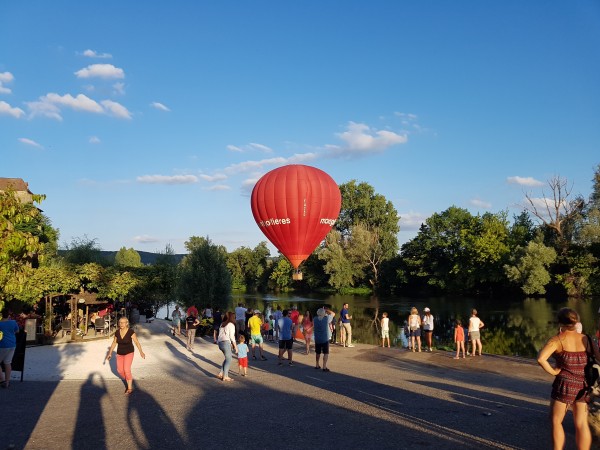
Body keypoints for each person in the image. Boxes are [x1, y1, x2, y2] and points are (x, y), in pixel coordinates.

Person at [538, 308, 600, 450]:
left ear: (560, 322)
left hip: (564, 385)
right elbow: (598, 357)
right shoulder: (587, 339)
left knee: (556, 421)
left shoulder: (558, 340)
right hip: (583, 385)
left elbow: (541, 359)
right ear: (576, 321)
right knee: (581, 423)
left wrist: (554, 372)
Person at [105, 317, 145, 395]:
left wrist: (141, 352)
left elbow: (136, 342)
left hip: (129, 352)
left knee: (126, 369)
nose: (121, 324)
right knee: (120, 370)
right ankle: (129, 379)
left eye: (123, 322)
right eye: (120, 322)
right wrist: (109, 353)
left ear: (127, 323)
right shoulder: (117, 332)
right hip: (120, 353)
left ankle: (129, 388)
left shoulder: (131, 332)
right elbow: (114, 343)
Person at [217, 312, 238, 382]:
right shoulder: (231, 325)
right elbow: (232, 336)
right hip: (226, 343)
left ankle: (221, 373)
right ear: (232, 317)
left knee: (227, 358)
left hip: (220, 343)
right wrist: (236, 347)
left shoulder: (222, 324)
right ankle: (225, 376)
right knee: (229, 359)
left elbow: (219, 335)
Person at [0, 315, 20, 388]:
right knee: (8, 363)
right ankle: (7, 382)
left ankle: (2, 379)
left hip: (3, 344)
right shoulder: (13, 322)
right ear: (8, 315)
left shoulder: (0, 323)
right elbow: (17, 331)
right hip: (12, 344)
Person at [313, 308, 331, 372]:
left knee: (318, 352)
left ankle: (317, 364)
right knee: (326, 353)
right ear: (324, 313)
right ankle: (324, 366)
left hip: (317, 338)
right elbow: (333, 314)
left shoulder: (315, 319)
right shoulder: (326, 319)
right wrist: (327, 310)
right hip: (325, 339)